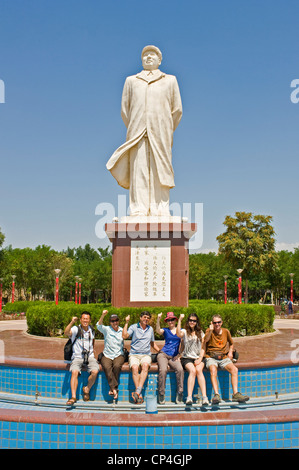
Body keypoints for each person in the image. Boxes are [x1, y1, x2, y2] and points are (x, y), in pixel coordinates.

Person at [106, 45, 183, 217]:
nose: (148, 57)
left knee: (160, 169)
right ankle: (138, 208)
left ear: (159, 60)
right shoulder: (131, 81)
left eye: (152, 55)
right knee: (138, 170)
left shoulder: (169, 80)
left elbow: (177, 110)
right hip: (137, 131)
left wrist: (165, 127)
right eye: (145, 55)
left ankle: (161, 208)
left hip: (161, 131)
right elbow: (125, 110)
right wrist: (137, 124)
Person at [204, 314, 249, 404]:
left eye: (219, 322)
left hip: (223, 357)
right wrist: (210, 330)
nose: (217, 324)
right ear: (212, 323)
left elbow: (231, 343)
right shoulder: (209, 331)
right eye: (215, 322)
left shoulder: (225, 331)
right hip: (211, 357)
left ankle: (235, 394)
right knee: (213, 369)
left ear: (222, 322)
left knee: (234, 370)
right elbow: (205, 340)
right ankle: (216, 395)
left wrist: (230, 352)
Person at [122, 311, 160, 404]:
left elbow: (152, 343)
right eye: (144, 317)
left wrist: (160, 351)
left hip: (146, 354)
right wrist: (126, 322)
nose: (146, 319)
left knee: (145, 366)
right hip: (134, 354)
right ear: (140, 317)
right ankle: (139, 393)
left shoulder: (150, 329)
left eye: (148, 318)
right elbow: (124, 336)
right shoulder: (134, 327)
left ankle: (137, 392)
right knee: (134, 368)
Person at [64, 311, 99, 406]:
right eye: (83, 319)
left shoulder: (92, 329)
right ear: (80, 319)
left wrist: (91, 352)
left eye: (87, 319)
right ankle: (73, 397)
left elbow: (93, 342)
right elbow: (66, 332)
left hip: (90, 356)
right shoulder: (76, 329)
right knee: (74, 372)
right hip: (78, 357)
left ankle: (87, 389)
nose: (85, 321)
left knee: (95, 371)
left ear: (90, 320)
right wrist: (71, 322)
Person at [177, 313, 208, 406]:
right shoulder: (185, 331)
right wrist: (179, 320)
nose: (192, 322)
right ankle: (189, 397)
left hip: (199, 357)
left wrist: (200, 358)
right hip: (187, 357)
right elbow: (178, 334)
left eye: (194, 321)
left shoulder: (201, 333)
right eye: (190, 320)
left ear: (196, 322)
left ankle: (205, 397)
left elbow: (203, 347)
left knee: (199, 370)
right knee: (193, 371)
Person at [156, 312, 184, 405]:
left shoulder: (180, 331)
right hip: (163, 354)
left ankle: (180, 392)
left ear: (175, 320)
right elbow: (158, 331)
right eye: (168, 320)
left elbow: (183, 344)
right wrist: (158, 319)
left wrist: (179, 355)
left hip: (174, 356)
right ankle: (161, 393)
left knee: (180, 369)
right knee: (163, 370)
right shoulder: (165, 330)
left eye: (172, 319)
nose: (170, 321)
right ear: (167, 322)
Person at [97, 309, 125, 400]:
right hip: (107, 355)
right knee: (106, 366)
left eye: (116, 320)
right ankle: (114, 388)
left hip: (119, 354)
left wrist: (127, 322)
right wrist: (102, 315)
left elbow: (128, 335)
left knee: (117, 366)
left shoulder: (122, 330)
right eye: (112, 321)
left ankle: (112, 388)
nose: (115, 322)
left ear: (118, 321)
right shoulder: (107, 329)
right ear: (110, 322)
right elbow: (98, 325)